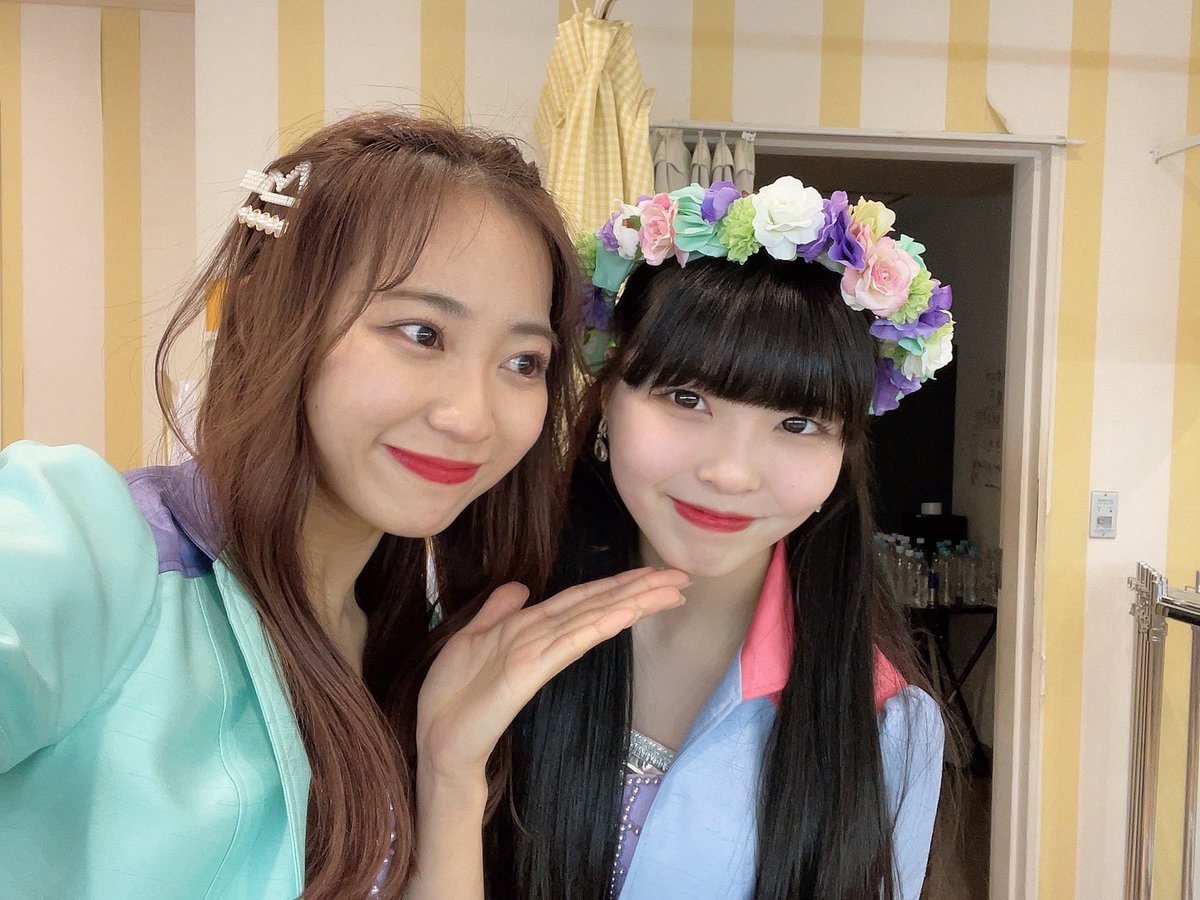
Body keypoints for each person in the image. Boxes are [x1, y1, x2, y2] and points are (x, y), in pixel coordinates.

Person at [0, 111, 687, 900]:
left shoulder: (412, 642)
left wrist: (450, 774)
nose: (472, 416)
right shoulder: (92, 546)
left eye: (524, 361)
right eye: (422, 333)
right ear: (264, 314)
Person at [487, 177, 953, 898]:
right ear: (607, 397)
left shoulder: (884, 723)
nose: (731, 473)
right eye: (687, 398)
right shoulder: (493, 623)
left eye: (797, 423)